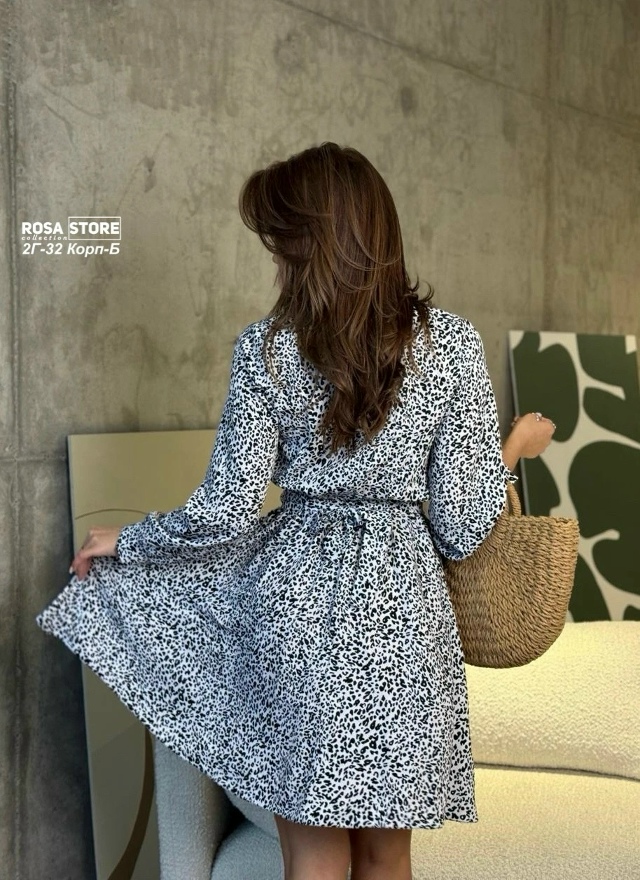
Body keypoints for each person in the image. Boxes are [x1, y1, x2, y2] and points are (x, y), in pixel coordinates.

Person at [37, 142, 554, 880]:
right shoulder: (451, 346)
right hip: (405, 614)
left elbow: (224, 511)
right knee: (388, 854)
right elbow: (464, 526)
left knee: (310, 855)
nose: (276, 260)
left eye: (282, 242)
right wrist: (512, 450)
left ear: (316, 242)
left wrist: (131, 540)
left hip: (296, 611)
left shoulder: (268, 350)